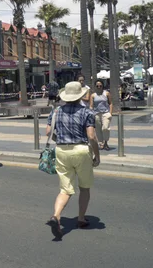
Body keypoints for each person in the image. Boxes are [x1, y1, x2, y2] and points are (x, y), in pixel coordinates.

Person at [45, 81, 100, 240]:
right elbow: (91, 136)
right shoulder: (87, 112)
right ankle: (81, 219)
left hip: (62, 150)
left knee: (65, 189)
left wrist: (60, 135)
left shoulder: (56, 111)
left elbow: (48, 131)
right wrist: (97, 155)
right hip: (81, 150)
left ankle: (56, 216)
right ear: (81, 95)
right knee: (84, 187)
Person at [90, 80, 113, 150]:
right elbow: (91, 105)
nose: (99, 87)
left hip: (105, 113)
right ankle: (101, 143)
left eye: (100, 86)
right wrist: (91, 112)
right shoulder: (93, 95)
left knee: (105, 128)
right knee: (98, 130)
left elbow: (110, 103)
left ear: (103, 86)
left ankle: (106, 141)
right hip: (96, 114)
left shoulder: (106, 93)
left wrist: (110, 113)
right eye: (97, 86)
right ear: (95, 87)